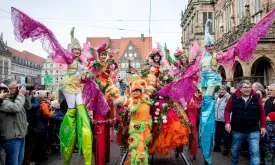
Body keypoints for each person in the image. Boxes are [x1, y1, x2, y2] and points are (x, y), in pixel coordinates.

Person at [224, 80, 266, 165]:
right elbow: (227, 110)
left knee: (255, 153)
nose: (248, 89)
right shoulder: (233, 97)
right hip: (237, 131)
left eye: (249, 87)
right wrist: (227, 122)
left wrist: (263, 126)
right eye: (245, 87)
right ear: (240, 88)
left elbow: (261, 112)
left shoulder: (256, 97)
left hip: (253, 130)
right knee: (235, 151)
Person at [0, 79, 31, 165]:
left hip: (21, 135)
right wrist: (21, 95)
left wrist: (26, 95)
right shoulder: (3, 101)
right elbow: (15, 108)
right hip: (11, 138)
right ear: (8, 89)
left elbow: (28, 107)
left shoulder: (17, 98)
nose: (18, 88)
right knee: (13, 162)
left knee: (20, 160)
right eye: (15, 87)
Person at [214, 85, 231, 156]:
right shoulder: (217, 97)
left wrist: (229, 120)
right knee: (217, 134)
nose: (221, 91)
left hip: (224, 120)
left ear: (226, 91)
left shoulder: (228, 97)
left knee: (226, 136)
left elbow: (230, 110)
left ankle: (226, 149)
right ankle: (217, 147)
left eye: (223, 90)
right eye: (220, 90)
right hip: (217, 119)